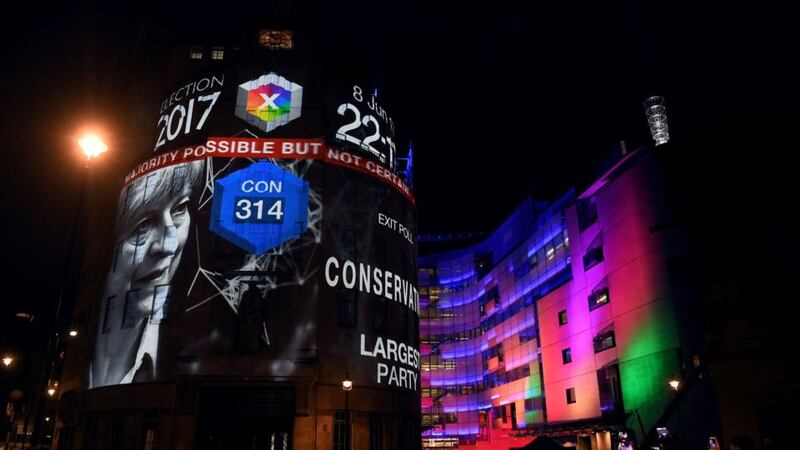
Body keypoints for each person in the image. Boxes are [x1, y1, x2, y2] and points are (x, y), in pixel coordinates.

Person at [90, 160, 204, 388]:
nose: (169, 245)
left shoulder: (179, 358)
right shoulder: (88, 365)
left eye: (180, 209)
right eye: (143, 225)